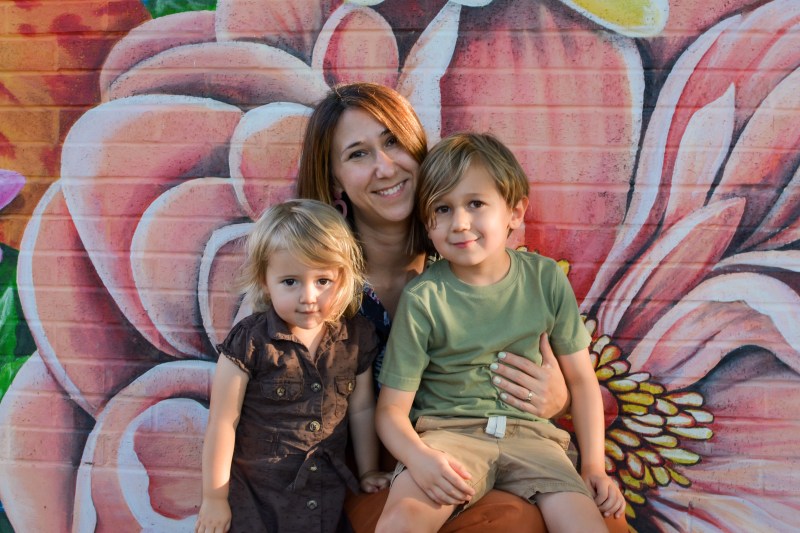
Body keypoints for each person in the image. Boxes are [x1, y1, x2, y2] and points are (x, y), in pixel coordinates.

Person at [296, 82, 628, 532]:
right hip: (394, 461)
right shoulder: (317, 284)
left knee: (604, 519)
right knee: (505, 523)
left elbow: (569, 374)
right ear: (334, 177)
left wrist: (560, 399)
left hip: (525, 440)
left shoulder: (485, 263)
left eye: (393, 142)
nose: (384, 166)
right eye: (358, 154)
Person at [374, 133, 626, 532]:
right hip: (449, 438)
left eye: (475, 203)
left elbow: (581, 381)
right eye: (442, 208)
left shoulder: (545, 280)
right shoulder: (424, 297)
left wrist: (594, 466)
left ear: (515, 211)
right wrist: (420, 459)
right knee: (401, 521)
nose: (460, 223)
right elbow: (390, 411)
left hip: (536, 442)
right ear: (427, 223)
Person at [195, 199, 389, 533]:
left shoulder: (355, 338)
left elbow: (362, 409)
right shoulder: (250, 342)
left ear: (343, 277)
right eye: (290, 281)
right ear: (264, 280)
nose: (308, 296)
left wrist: (368, 470)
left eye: (323, 280)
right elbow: (223, 422)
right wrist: (214, 498)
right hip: (257, 501)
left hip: (323, 498)